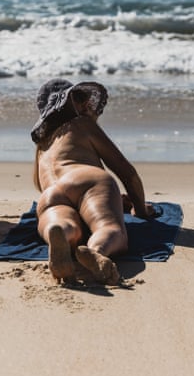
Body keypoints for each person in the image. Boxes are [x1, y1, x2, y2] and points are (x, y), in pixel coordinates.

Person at [30, 78, 153, 285]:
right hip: (87, 179)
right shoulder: (82, 125)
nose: (88, 104)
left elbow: (48, 186)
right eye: (81, 99)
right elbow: (127, 173)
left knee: (68, 226)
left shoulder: (42, 147)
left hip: (50, 196)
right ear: (70, 104)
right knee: (109, 228)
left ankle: (58, 232)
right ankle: (97, 251)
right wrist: (141, 209)